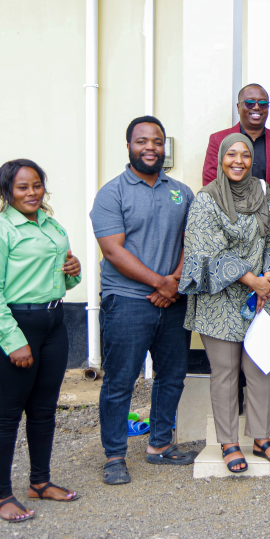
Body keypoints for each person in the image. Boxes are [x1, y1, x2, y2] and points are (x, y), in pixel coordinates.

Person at [0, 160, 82, 523]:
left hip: (53, 323)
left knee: (44, 410)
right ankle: (2, 496)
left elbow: (56, 275)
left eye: (37, 186)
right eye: (22, 188)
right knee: (5, 417)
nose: (32, 193)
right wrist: (12, 341)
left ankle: (40, 481)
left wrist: (72, 272)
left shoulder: (49, 224)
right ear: (6, 192)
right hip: (14, 326)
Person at [91, 116, 197, 485]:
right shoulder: (112, 193)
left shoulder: (181, 192)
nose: (150, 148)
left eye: (156, 141)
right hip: (128, 301)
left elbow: (192, 241)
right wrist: (160, 283)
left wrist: (177, 281)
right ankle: (115, 455)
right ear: (128, 146)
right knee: (120, 380)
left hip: (174, 301)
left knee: (171, 377)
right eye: (142, 141)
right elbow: (113, 251)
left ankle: (159, 445)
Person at [180, 133, 270, 473]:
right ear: (221, 159)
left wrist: (269, 275)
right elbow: (207, 251)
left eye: (244, 155)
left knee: (261, 368)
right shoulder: (206, 200)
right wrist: (252, 280)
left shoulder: (263, 192)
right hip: (220, 299)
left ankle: (261, 437)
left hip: (260, 297)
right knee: (226, 373)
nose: (238, 161)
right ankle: (228, 442)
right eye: (231, 155)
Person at [204, 83, 270, 204]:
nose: (257, 107)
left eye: (263, 104)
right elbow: (211, 181)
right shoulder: (218, 140)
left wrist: (265, 209)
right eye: (250, 103)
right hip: (229, 216)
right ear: (238, 107)